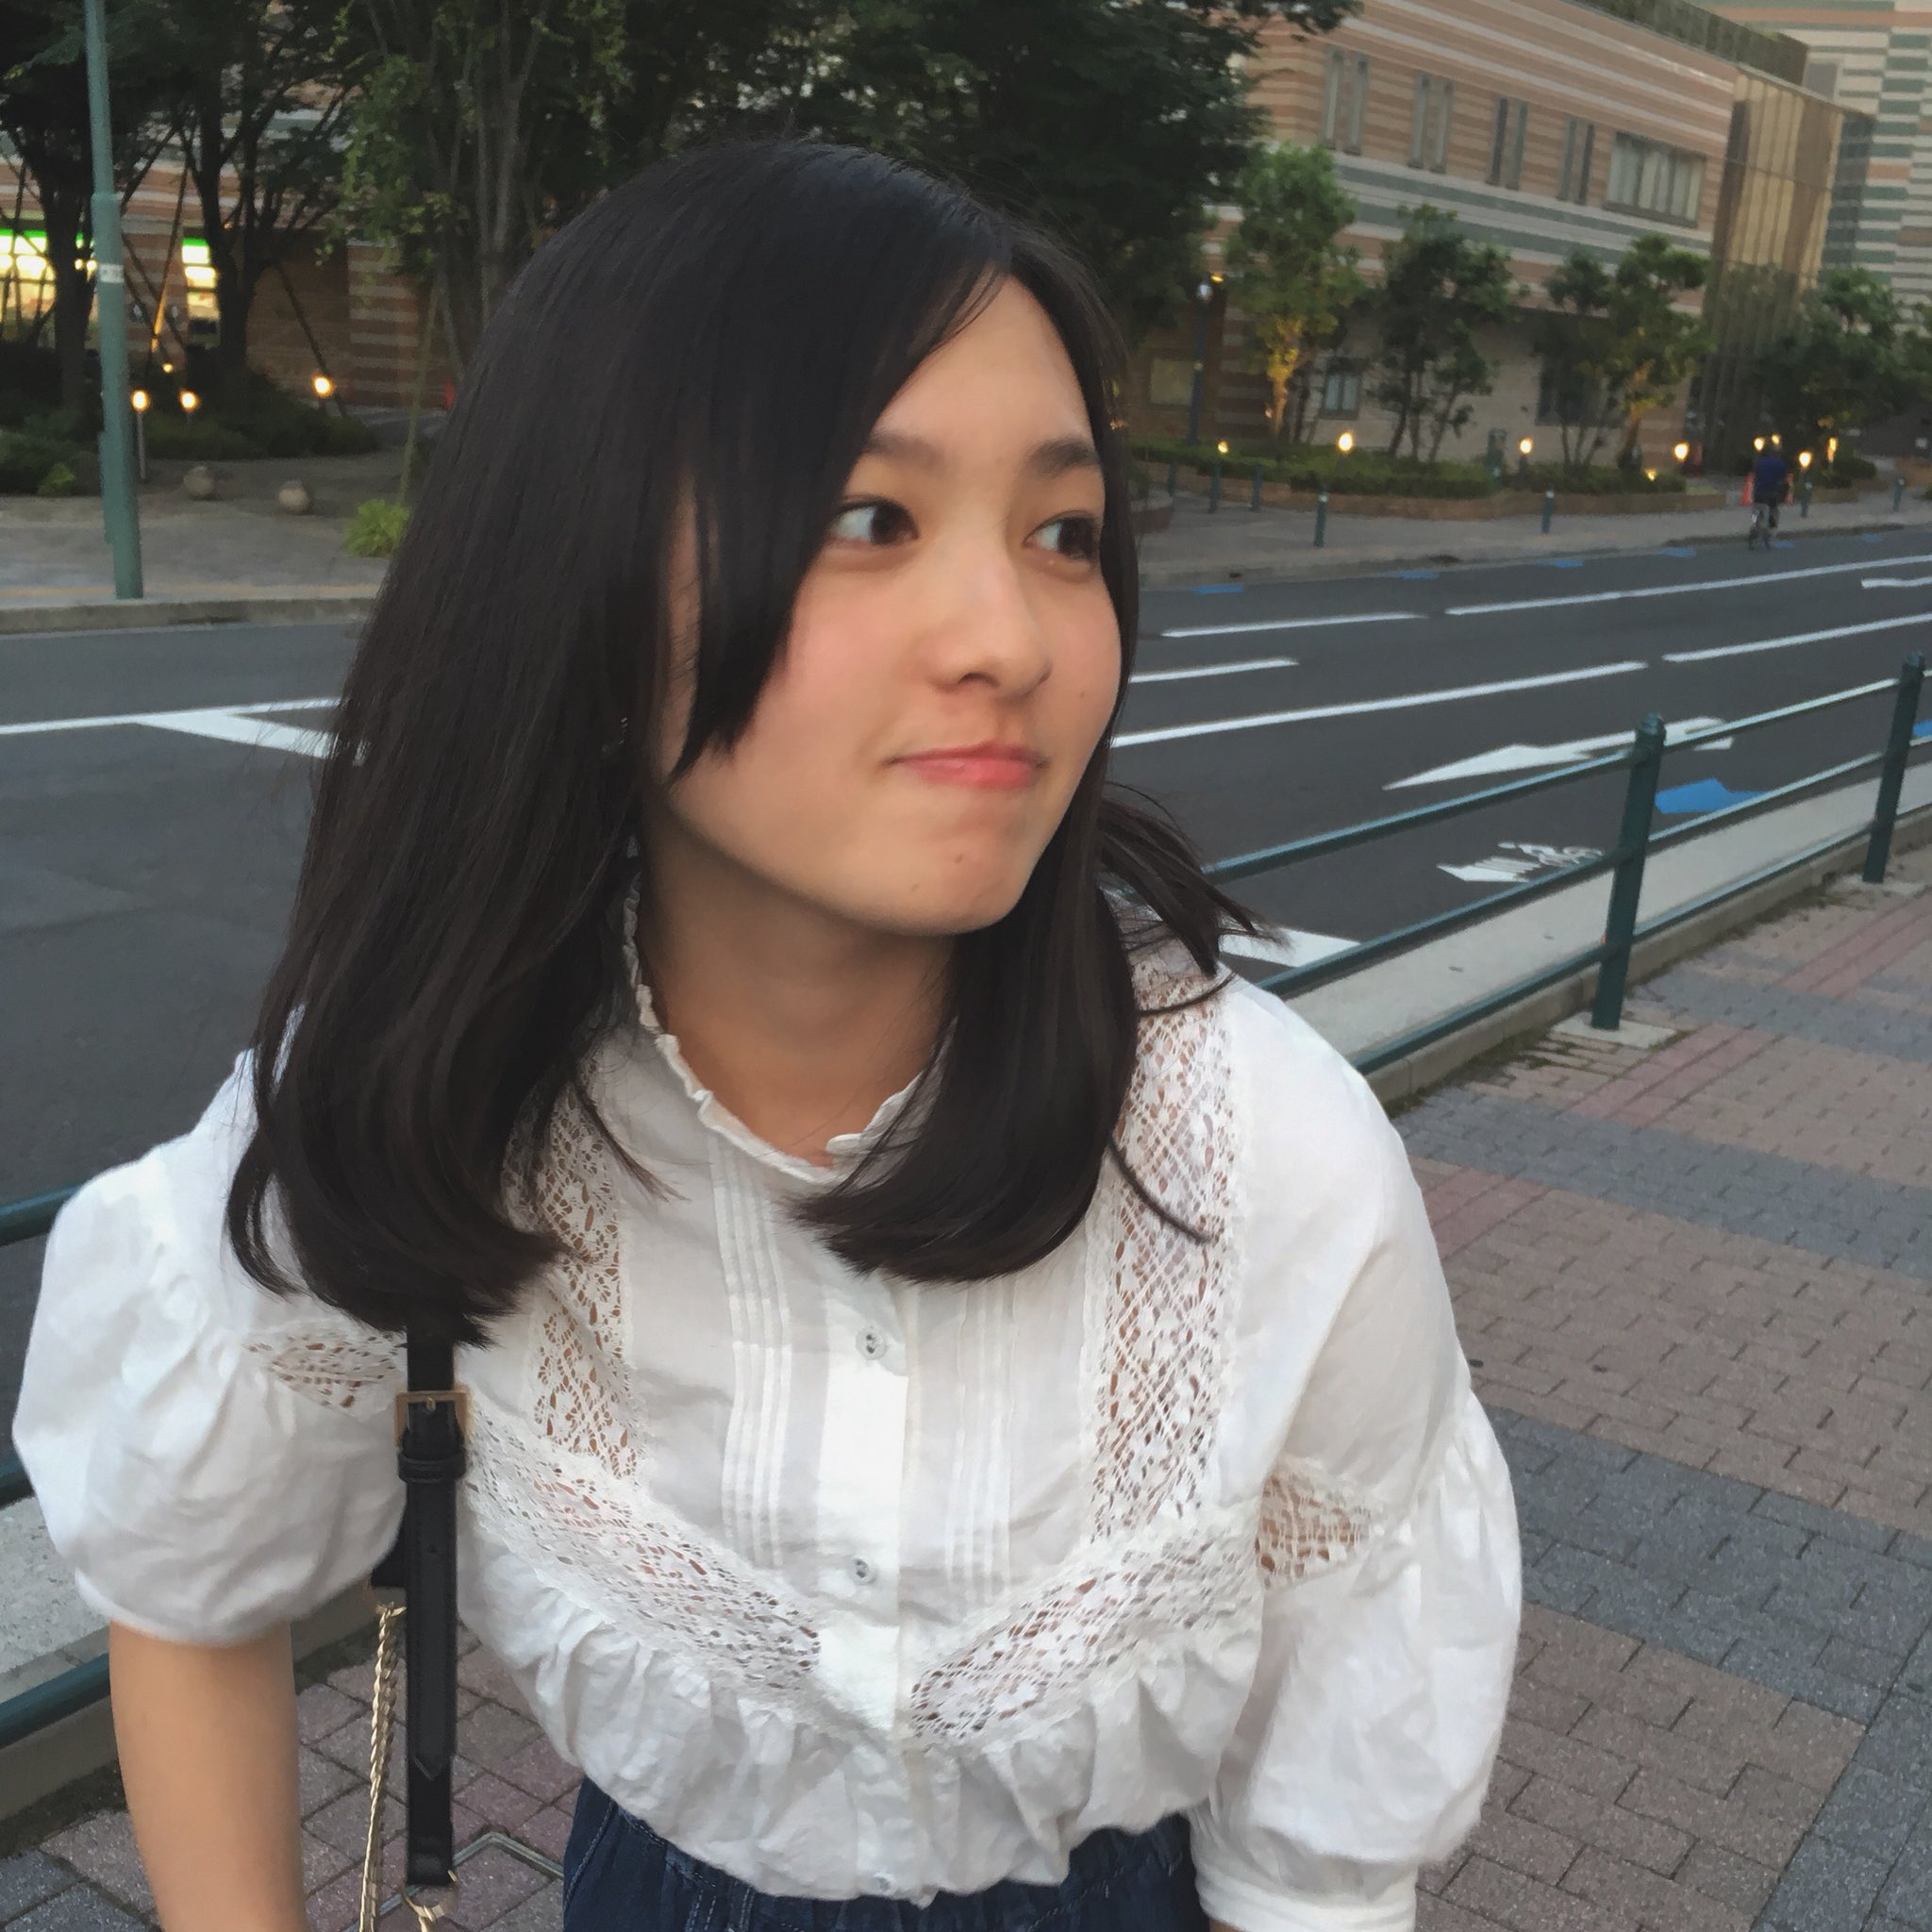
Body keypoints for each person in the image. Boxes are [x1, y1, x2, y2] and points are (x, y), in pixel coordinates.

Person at [13, 140, 1520, 1932]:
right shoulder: (427, 1090)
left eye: (1062, 533)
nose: (1011, 637)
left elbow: (1323, 1836)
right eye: (870, 519)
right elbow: (187, 1571)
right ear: (576, 575)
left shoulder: (1267, 1153)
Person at [1749, 443, 1791, 544]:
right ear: (1779, 453)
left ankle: (1754, 525)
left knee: (1756, 510)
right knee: (1773, 509)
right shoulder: (1781, 464)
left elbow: (1755, 476)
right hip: (1772, 492)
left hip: (1759, 491)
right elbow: (1783, 480)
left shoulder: (1760, 462)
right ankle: (1770, 528)